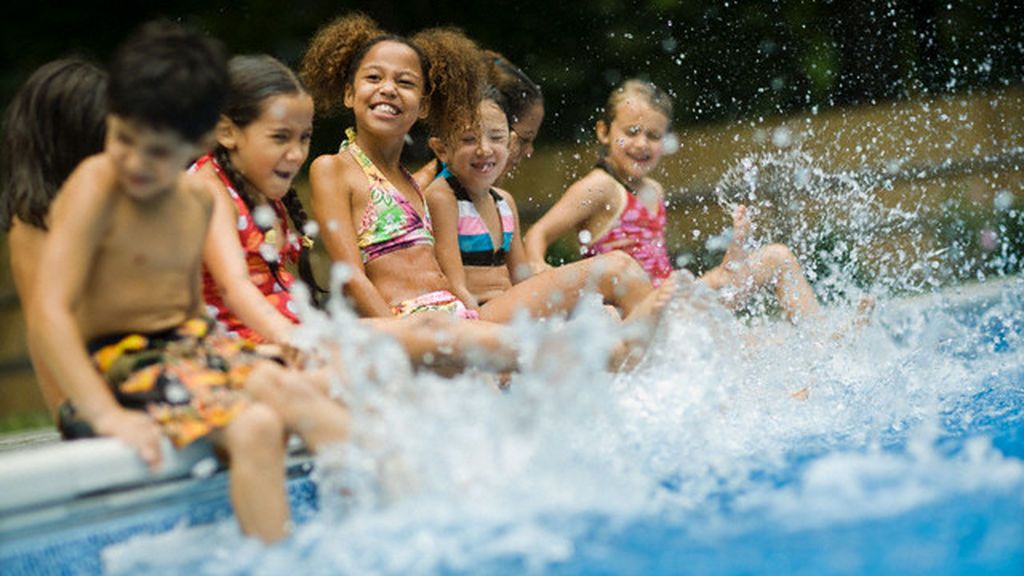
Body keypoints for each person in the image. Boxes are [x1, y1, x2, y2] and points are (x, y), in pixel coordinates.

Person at [27, 21, 349, 543]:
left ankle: (384, 528)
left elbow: (189, 312)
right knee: (257, 426)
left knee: (301, 390)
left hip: (186, 348)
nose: (134, 161)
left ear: (199, 142)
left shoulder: (195, 201)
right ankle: (277, 560)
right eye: (124, 139)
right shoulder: (96, 185)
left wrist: (250, 356)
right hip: (118, 360)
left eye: (156, 153)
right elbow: (48, 313)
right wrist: (105, 413)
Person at [196, 52, 517, 374]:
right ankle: (538, 352)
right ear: (227, 133)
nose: (296, 154)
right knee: (427, 330)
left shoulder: (258, 193)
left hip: (297, 333)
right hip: (257, 346)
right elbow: (234, 286)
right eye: (280, 137)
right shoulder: (208, 188)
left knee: (433, 328)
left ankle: (542, 352)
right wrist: (289, 336)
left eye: (304, 138)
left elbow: (273, 288)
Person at [524, 79, 822, 323]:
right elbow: (537, 234)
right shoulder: (599, 187)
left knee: (777, 257)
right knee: (746, 338)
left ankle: (822, 335)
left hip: (668, 300)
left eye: (653, 135)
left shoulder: (653, 190)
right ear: (604, 131)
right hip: (633, 313)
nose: (642, 144)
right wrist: (542, 271)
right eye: (631, 132)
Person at [424, 88, 674, 328]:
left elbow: (523, 277)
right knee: (618, 271)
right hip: (479, 313)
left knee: (605, 315)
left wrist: (554, 290)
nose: (484, 149)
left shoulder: (504, 201)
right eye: (469, 139)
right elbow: (454, 284)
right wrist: (481, 333)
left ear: (510, 143)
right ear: (442, 149)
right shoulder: (443, 197)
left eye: (496, 137)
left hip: (509, 304)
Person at [1, 58, 108, 424]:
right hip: (85, 391)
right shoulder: (32, 226)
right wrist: (72, 407)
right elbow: (43, 327)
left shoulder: (90, 207)